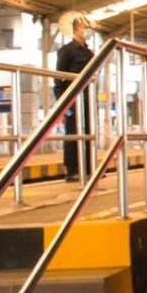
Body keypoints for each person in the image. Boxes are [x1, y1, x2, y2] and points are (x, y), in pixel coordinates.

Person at [54, 17, 94, 182]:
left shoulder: (89, 52)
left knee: (88, 132)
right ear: (77, 28)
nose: (88, 30)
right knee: (72, 133)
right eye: (85, 27)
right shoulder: (66, 51)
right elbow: (59, 77)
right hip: (72, 99)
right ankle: (72, 170)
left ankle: (88, 168)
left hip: (87, 98)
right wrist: (62, 101)